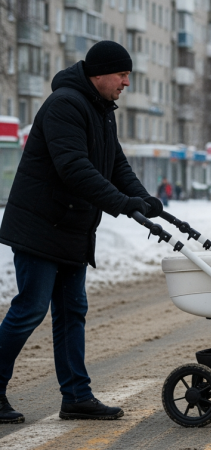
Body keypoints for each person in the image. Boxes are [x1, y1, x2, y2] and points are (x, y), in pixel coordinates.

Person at [0, 41, 163, 424]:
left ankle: (76, 396)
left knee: (72, 312)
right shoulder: (66, 105)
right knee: (31, 309)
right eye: (122, 75)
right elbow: (74, 168)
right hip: (40, 227)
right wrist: (124, 205)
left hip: (71, 229)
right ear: (99, 74)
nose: (126, 82)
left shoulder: (102, 110)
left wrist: (143, 198)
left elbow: (114, 163)